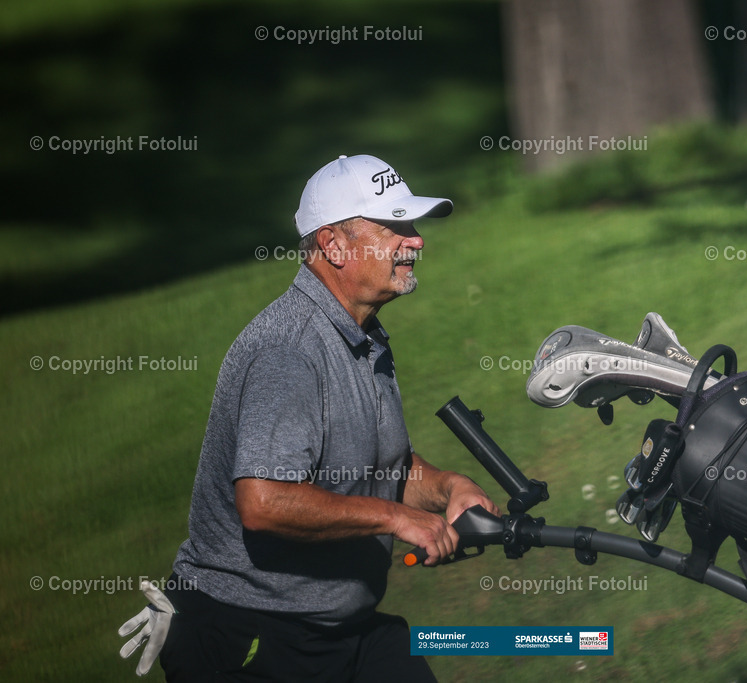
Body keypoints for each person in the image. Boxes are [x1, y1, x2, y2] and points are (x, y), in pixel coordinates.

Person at [121, 154, 499, 682]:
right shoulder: (289, 351)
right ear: (334, 246)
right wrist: (396, 519)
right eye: (394, 226)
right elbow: (264, 502)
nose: (415, 241)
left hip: (343, 630)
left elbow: (377, 464)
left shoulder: (363, 336)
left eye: (411, 226)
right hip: (253, 637)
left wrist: (448, 489)